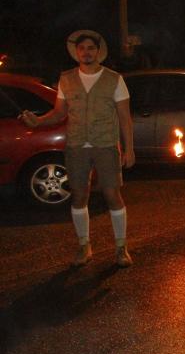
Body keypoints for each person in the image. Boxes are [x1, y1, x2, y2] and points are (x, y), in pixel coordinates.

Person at [20, 30, 135, 267]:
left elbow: (125, 117)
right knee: (79, 196)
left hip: (105, 144)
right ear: (76, 53)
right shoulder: (67, 78)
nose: (86, 52)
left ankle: (121, 247)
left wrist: (129, 149)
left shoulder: (114, 79)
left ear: (98, 51)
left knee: (113, 195)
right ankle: (84, 246)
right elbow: (60, 112)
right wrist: (38, 121)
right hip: (76, 145)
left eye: (90, 48)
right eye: (82, 48)